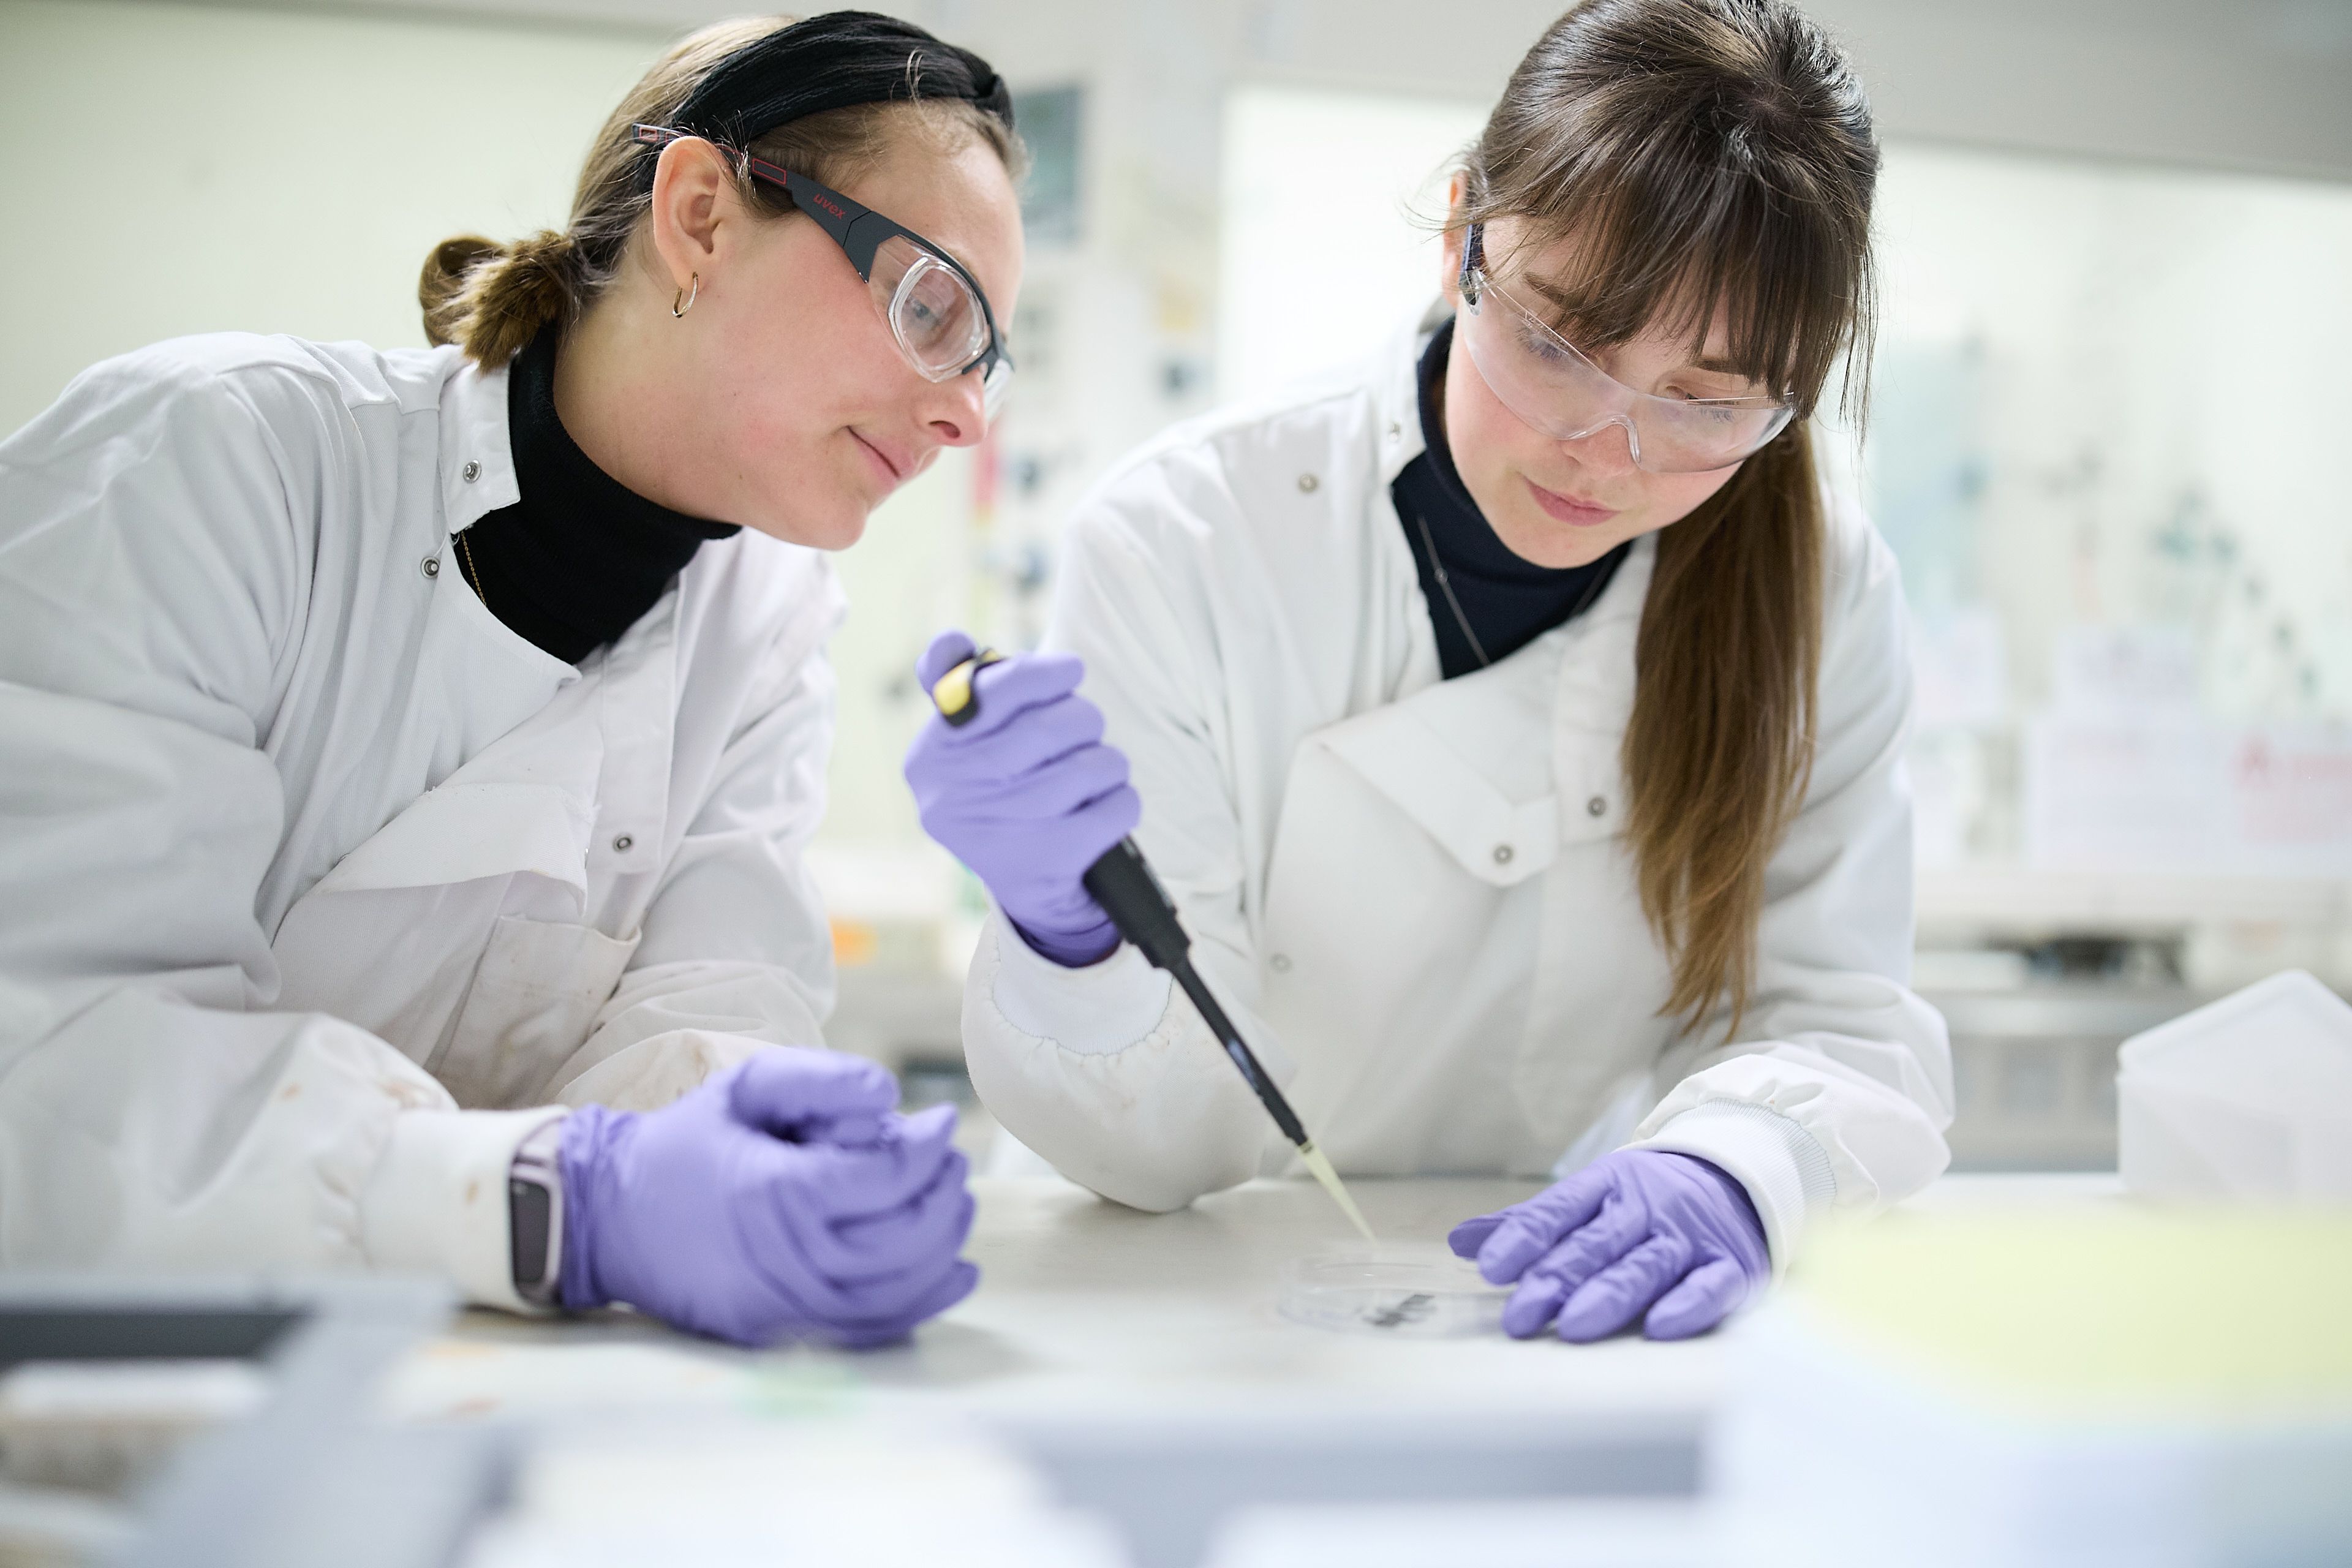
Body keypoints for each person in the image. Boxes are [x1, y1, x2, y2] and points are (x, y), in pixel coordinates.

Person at [907, 0, 1951, 1344]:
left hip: (1544, 1295)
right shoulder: (1191, 536)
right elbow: (1151, 1149)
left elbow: (1837, 1016)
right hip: (1180, 1311)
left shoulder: (1821, 591)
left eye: (1705, 401)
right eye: (1560, 343)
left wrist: (1735, 1168)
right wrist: (1071, 932)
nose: (1602, 449)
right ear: (1463, 235)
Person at [0, 12, 1023, 1348]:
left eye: (988, 355)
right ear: (703, 216)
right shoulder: (211, 466)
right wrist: (567, 1201)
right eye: (929, 307)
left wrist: (774, 1153)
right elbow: (54, 1059)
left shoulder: (764, 619)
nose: (967, 413)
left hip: (460, 1385)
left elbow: (709, 1020)